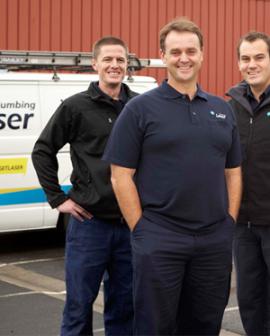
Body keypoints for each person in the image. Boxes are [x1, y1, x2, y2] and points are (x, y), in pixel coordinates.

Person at [103, 17, 242, 336]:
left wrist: (229, 222)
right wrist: (141, 230)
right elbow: (120, 175)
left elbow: (233, 171)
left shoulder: (222, 110)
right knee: (155, 326)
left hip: (213, 240)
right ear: (163, 56)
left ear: (202, 54)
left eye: (191, 50)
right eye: (175, 51)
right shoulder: (139, 109)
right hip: (160, 238)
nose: (184, 58)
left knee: (206, 324)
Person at [32, 36, 136, 336]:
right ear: (95, 64)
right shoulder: (76, 107)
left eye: (120, 59)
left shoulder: (139, 106)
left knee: (125, 307)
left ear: (126, 64)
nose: (114, 65)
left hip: (130, 225)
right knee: (79, 306)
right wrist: (57, 198)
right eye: (108, 59)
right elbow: (42, 150)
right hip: (89, 225)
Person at [227, 31, 270, 336]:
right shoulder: (230, 108)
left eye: (259, 57)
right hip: (242, 225)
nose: (251, 64)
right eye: (245, 58)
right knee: (250, 299)